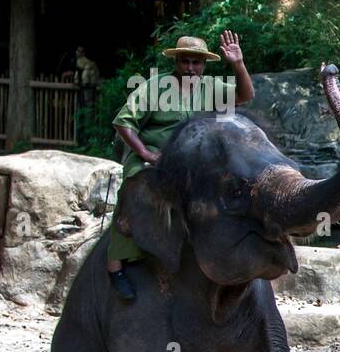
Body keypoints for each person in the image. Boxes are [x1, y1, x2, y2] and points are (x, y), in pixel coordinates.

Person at [105, 31, 254, 299]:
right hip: (154, 154)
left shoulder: (210, 86)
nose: (190, 68)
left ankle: (214, 257)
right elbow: (123, 121)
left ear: (203, 65)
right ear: (176, 62)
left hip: (193, 159)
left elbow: (245, 95)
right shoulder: (155, 87)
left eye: (196, 63)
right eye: (185, 61)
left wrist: (238, 63)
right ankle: (115, 265)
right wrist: (145, 154)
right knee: (135, 190)